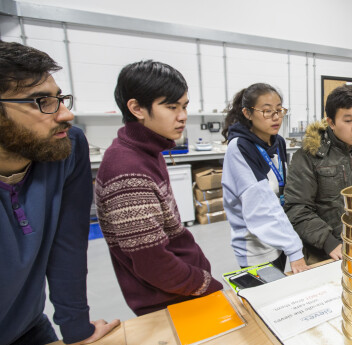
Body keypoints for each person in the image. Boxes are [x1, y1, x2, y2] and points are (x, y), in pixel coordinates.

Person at [0, 41, 119, 345]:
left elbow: (67, 243)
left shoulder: (68, 148)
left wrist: (77, 328)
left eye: (60, 98)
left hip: (28, 325)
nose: (65, 115)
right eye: (41, 101)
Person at [96, 60, 223, 316]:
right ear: (137, 108)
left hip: (181, 291)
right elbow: (153, 264)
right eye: (171, 107)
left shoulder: (147, 150)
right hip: (169, 301)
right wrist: (208, 286)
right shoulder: (126, 170)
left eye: (184, 106)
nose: (182, 116)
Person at [284, 86, 352, 264]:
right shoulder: (309, 156)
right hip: (325, 253)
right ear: (331, 122)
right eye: (348, 121)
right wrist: (329, 243)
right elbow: (297, 208)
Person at [221, 83, 309, 273]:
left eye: (279, 110)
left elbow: (282, 187)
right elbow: (260, 205)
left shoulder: (278, 141)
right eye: (267, 111)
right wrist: (294, 248)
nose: (276, 117)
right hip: (255, 247)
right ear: (247, 113)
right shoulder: (239, 147)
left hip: (280, 238)